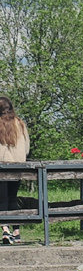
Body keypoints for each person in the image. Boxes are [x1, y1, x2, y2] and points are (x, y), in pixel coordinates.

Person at [0, 96, 28, 244]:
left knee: (2, 199)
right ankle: (16, 231)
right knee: (12, 199)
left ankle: (5, 229)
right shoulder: (20, 124)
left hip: (1, 167)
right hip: (18, 166)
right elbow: (27, 147)